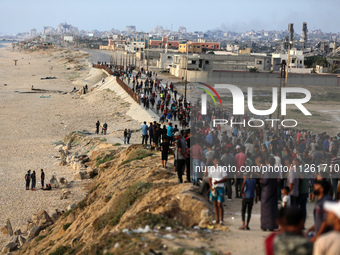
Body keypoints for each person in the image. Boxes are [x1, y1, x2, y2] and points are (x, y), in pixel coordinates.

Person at [261, 157, 279, 231]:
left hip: (267, 191)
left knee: (265, 209)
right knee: (273, 209)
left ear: (268, 162)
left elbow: (265, 181)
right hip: (274, 190)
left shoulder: (267, 170)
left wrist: (261, 183)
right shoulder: (275, 170)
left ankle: (265, 225)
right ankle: (272, 225)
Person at [209, 157, 227, 225]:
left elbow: (225, 179)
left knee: (220, 204)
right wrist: (211, 187)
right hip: (214, 188)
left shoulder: (222, 169)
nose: (217, 162)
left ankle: (221, 220)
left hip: (220, 188)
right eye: (215, 160)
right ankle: (217, 219)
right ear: (213, 161)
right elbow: (209, 179)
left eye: (218, 160)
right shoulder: (211, 169)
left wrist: (218, 182)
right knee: (215, 204)